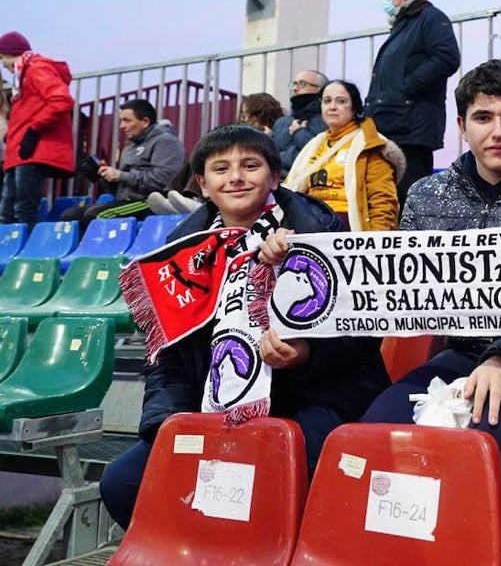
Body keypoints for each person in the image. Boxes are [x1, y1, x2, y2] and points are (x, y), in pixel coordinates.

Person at [98, 124, 389, 529]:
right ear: (202, 184)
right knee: (123, 484)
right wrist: (172, 425)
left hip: (315, 397)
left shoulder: (322, 234)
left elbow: (363, 331)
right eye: (221, 169)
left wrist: (306, 354)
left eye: (250, 165)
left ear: (274, 176)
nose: (236, 177)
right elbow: (167, 360)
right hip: (213, 408)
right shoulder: (179, 256)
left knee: (279, 471)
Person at [361, 59, 501, 554]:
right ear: (462, 126)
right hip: (459, 355)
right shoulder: (426, 195)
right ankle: (393, 549)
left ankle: (493, 550)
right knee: (373, 430)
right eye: (483, 117)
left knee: (493, 442)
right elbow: (396, 289)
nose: (498, 132)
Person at [362, 0, 461, 211]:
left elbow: (447, 58)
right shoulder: (406, 24)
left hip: (411, 129)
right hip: (393, 125)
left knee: (410, 201)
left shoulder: (429, 18)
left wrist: (405, 89)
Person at [284, 80, 404, 232]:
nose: (332, 107)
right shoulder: (314, 145)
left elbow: (382, 201)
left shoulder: (369, 145)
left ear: (354, 108)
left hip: (346, 228)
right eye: (327, 101)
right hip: (309, 221)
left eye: (341, 101)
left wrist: (376, 243)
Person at [64, 99, 185, 227]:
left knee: (97, 215)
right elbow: (121, 188)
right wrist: (106, 177)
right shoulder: (129, 146)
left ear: (145, 122)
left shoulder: (166, 141)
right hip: (125, 201)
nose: (121, 126)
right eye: (121, 121)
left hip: (150, 201)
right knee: (70, 215)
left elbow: (164, 180)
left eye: (127, 120)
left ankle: (97, 247)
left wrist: (121, 175)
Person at [0, 31, 74, 227]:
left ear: (9, 54)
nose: (3, 65)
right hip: (21, 151)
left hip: (33, 150)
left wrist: (33, 130)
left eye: (2, 58)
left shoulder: (36, 69)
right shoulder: (23, 75)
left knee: (23, 208)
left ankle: (26, 254)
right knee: (8, 210)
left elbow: (61, 100)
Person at [273, 69, 328, 172]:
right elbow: (268, 155)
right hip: (280, 182)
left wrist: (299, 133)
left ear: (320, 90)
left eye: (302, 84)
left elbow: (321, 154)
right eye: (294, 84)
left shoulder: (327, 121)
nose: (295, 88)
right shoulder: (281, 122)